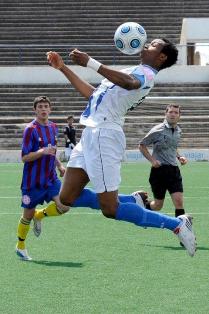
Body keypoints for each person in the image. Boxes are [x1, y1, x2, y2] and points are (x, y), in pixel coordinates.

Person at [37, 38, 196, 257]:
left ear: (161, 57)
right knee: (66, 198)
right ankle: (134, 200)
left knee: (110, 209)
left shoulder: (146, 74)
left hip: (104, 136)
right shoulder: (133, 70)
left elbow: (130, 83)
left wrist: (91, 62)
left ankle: (176, 224)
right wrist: (63, 68)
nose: (146, 45)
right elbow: (93, 95)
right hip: (90, 134)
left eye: (153, 45)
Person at [15, 96, 69, 261]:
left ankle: (41, 215)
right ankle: (21, 246)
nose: (43, 109)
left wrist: (59, 165)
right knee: (27, 216)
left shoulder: (53, 127)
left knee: (65, 206)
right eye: (40, 107)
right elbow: (24, 157)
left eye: (46, 106)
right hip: (33, 182)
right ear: (35, 110)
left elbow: (52, 149)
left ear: (50, 109)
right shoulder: (30, 129)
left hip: (51, 179)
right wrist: (41, 152)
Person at [139, 104, 188, 218]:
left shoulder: (178, 131)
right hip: (159, 172)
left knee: (179, 202)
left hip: (174, 170)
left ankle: (181, 229)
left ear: (179, 116)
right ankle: (143, 209)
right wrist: (152, 160)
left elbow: (173, 147)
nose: (173, 114)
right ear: (165, 114)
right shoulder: (158, 130)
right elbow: (142, 145)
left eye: (176, 112)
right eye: (170, 112)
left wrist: (179, 157)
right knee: (157, 205)